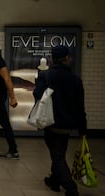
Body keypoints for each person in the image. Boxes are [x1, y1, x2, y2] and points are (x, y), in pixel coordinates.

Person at [33, 45, 86, 196]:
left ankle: (71, 189)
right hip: (68, 124)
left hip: (52, 122)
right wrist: (83, 130)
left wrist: (39, 79)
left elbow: (37, 95)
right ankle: (54, 181)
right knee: (59, 153)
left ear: (52, 59)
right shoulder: (76, 79)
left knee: (57, 157)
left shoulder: (46, 75)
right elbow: (80, 106)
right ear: (67, 59)